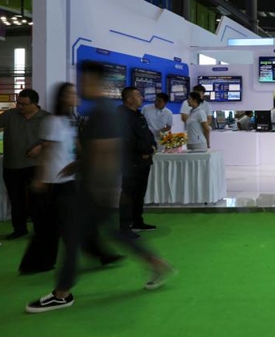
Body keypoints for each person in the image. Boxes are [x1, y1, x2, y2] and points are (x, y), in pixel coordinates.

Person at [26, 61, 173, 314]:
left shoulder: (103, 112)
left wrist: (103, 190)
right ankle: (157, 263)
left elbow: (107, 151)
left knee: (73, 238)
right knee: (114, 234)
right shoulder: (102, 110)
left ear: (93, 81)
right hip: (99, 188)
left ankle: (62, 293)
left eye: (82, 80)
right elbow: (99, 150)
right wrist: (79, 165)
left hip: (97, 191)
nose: (79, 86)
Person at [19, 83, 121, 273]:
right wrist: (40, 178)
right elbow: (46, 151)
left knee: (64, 224)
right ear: (63, 98)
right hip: (54, 183)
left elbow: (76, 148)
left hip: (68, 180)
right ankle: (36, 264)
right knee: (53, 227)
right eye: (72, 93)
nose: (76, 96)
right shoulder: (54, 122)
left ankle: (100, 254)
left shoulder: (68, 120)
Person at [0, 88, 49, 239]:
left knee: (38, 200)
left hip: (36, 166)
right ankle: (19, 229)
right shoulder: (9, 115)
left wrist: (41, 146)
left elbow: (55, 139)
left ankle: (41, 230)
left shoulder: (46, 118)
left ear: (34, 104)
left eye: (23, 104)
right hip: (12, 165)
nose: (19, 107)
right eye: (18, 103)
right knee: (16, 199)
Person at [118, 87, 157, 237]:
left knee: (139, 193)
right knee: (128, 194)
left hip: (144, 162)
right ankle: (125, 227)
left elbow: (148, 135)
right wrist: (145, 151)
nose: (141, 97)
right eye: (138, 95)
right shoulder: (122, 116)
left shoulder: (138, 115)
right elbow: (128, 140)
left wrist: (153, 147)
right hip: (131, 162)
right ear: (129, 99)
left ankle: (137, 221)